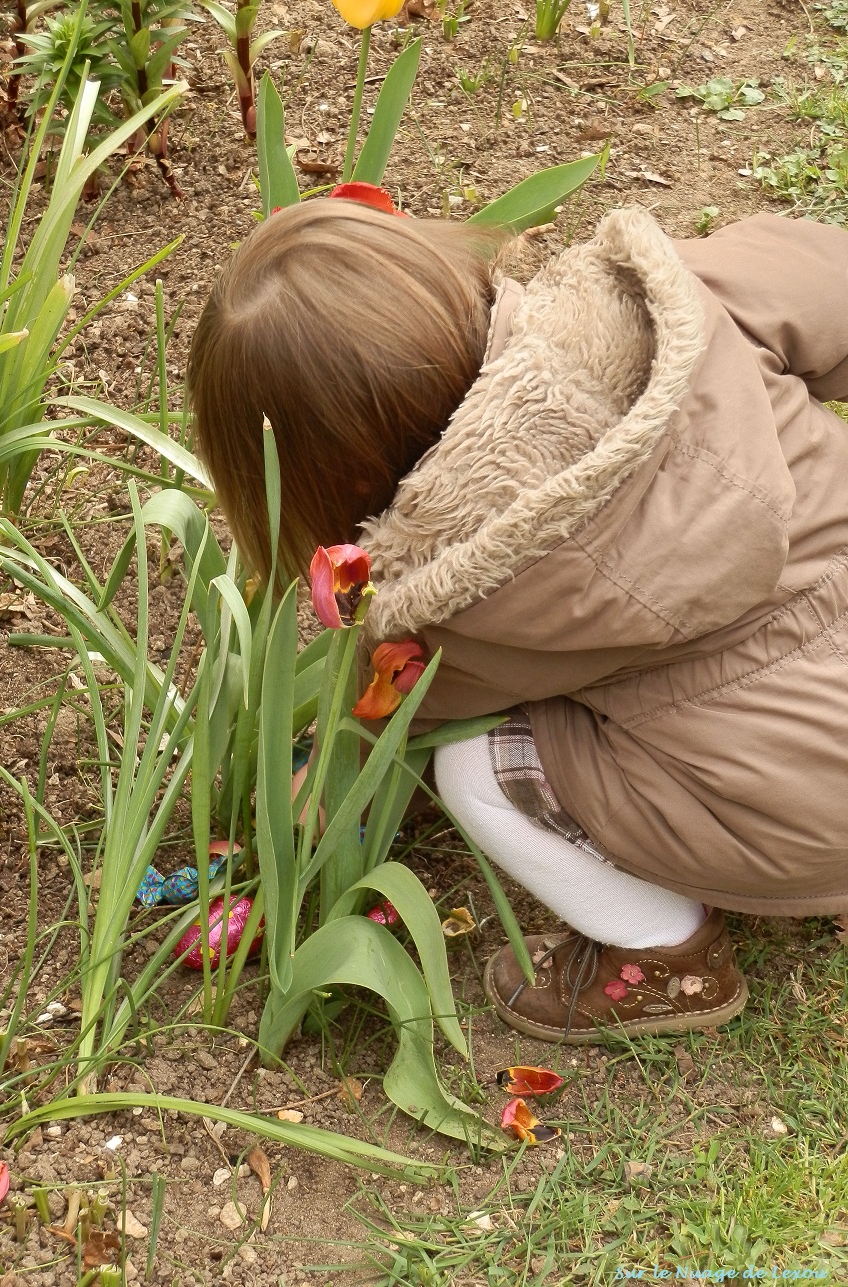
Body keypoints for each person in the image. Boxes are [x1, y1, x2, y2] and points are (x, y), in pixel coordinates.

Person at [187, 191, 848, 1044]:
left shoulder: (449, 598)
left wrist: (318, 792)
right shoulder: (669, 300)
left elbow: (394, 715)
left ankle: (666, 957)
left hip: (815, 809)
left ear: (318, 484)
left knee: (475, 767)